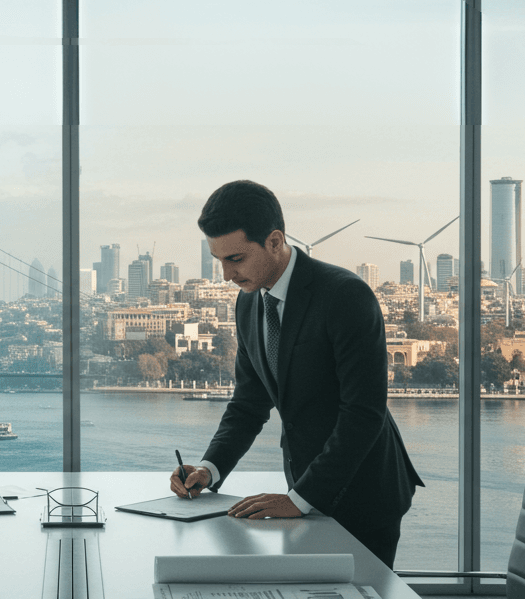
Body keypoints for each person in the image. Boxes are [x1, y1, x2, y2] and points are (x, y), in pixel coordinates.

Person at [169, 179, 424, 568]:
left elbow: (363, 412)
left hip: (363, 491)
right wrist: (209, 468)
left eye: (235, 259)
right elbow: (248, 402)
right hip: (302, 489)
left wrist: (299, 499)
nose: (225, 275)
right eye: (218, 261)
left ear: (274, 241)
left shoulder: (345, 295)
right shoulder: (248, 303)